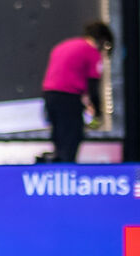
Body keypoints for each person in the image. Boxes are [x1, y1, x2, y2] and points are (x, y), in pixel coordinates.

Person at [41, 19, 114, 163]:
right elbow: (93, 85)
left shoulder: (63, 46)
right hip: (68, 97)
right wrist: (98, 112)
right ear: (102, 40)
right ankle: (68, 171)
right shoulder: (92, 52)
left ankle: (57, 167)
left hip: (49, 95)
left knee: (59, 137)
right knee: (72, 136)